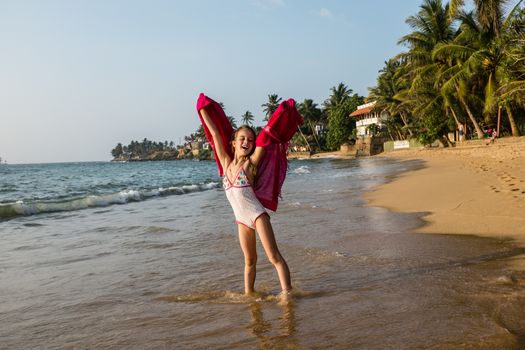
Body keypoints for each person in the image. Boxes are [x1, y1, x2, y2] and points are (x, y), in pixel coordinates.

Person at [197, 94, 302, 298]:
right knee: (249, 262)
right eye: (242, 138)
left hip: (257, 216)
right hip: (241, 221)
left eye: (250, 140)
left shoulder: (250, 164)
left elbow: (264, 140)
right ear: (234, 142)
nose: (246, 142)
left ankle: (287, 294)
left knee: (274, 257)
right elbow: (215, 135)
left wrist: (280, 115)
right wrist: (202, 110)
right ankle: (249, 296)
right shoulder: (226, 164)